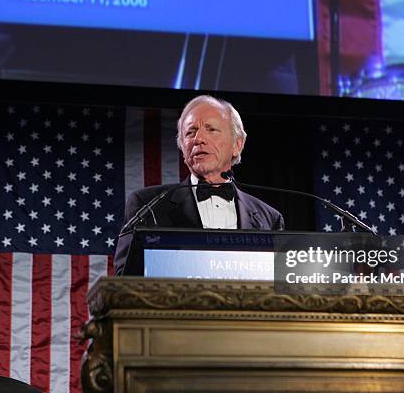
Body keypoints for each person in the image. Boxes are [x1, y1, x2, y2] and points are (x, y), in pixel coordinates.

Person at [114, 95, 284, 274]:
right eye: (190, 132)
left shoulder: (269, 218)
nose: (199, 139)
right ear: (182, 147)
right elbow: (125, 280)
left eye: (211, 129)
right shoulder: (148, 205)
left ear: (237, 144)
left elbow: (278, 287)